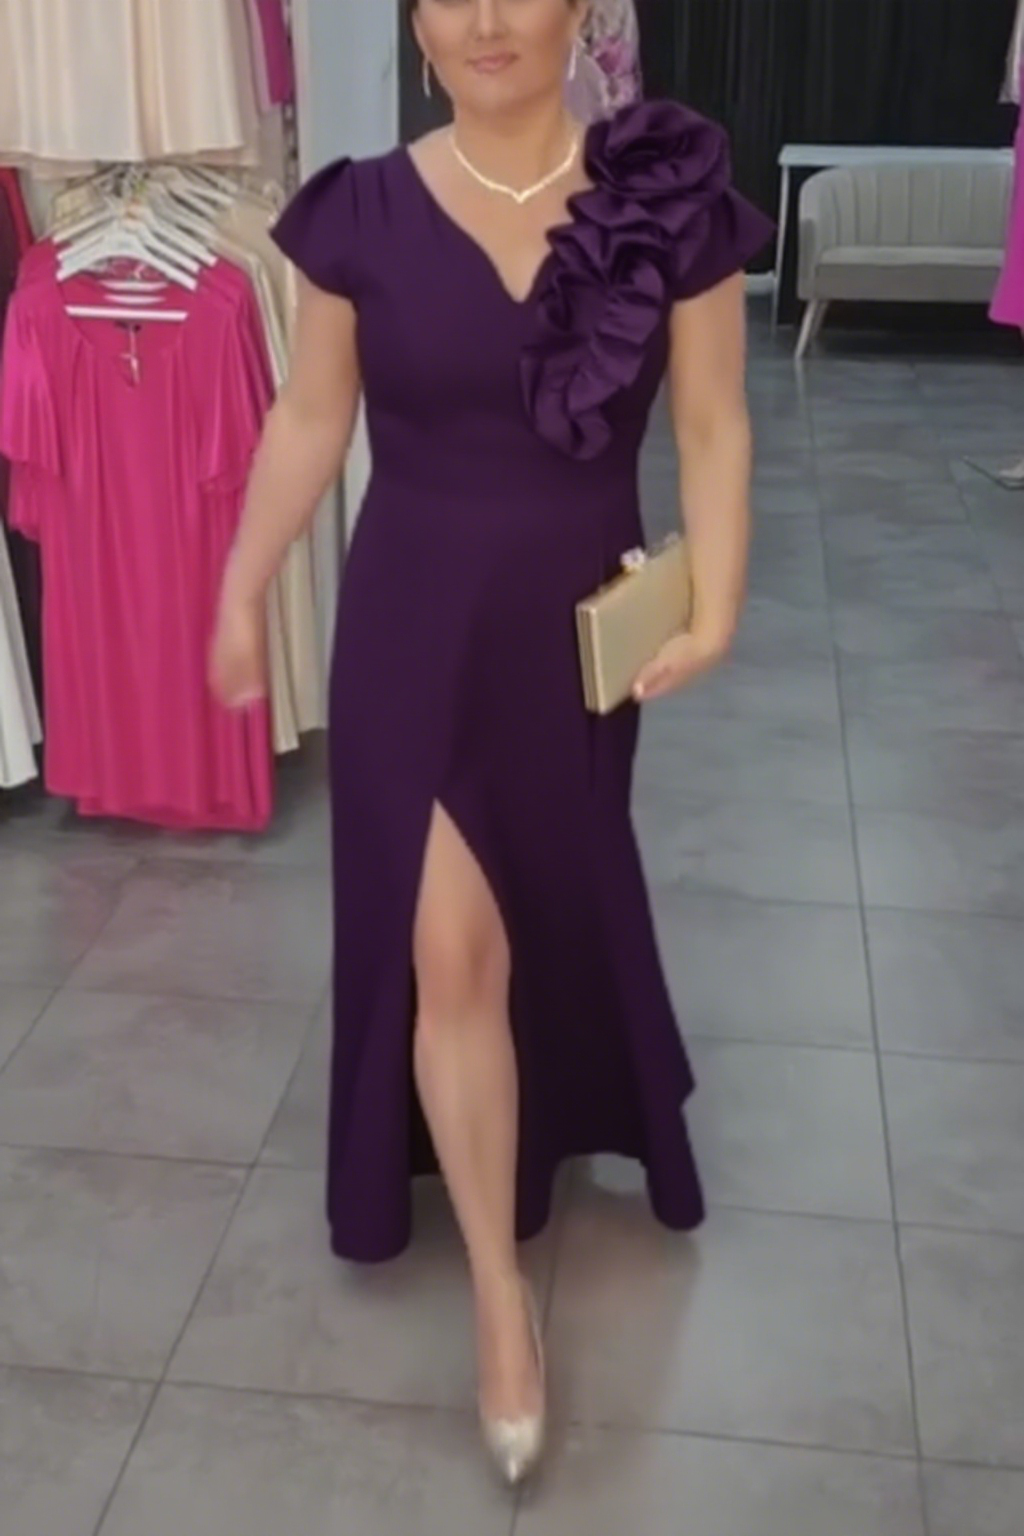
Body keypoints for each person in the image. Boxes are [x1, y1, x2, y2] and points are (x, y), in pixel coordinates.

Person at [210, 0, 772, 1489]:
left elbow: (714, 423)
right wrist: (243, 586)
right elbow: (310, 420)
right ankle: (499, 1300)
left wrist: (716, 599)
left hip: (570, 645)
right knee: (452, 953)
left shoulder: (667, 197)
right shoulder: (358, 213)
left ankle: (565, 1108)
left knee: (551, 910)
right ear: (416, 23)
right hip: (409, 635)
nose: (483, 19)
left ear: (581, 6)